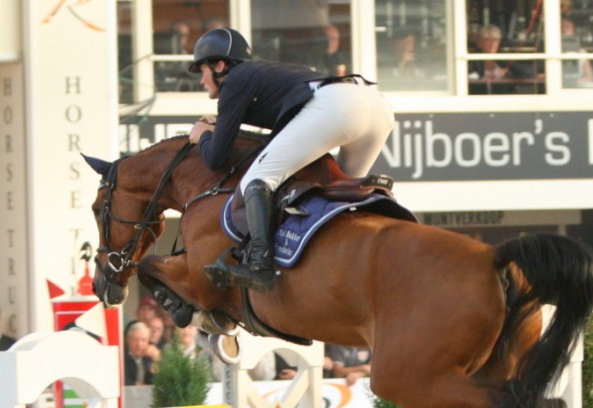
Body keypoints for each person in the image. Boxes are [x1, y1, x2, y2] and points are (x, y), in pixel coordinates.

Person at [188, 27, 395, 293]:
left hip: (337, 106)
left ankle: (259, 265)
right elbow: (274, 140)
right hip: (376, 105)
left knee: (258, 179)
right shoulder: (258, 76)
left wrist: (202, 137)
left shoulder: (234, 80)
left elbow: (216, 158)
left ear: (219, 65)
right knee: (338, 189)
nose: (201, 79)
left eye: (202, 70)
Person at [469, 24, 539, 95]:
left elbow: (525, 74)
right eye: (488, 40)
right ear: (480, 43)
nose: (492, 43)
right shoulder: (473, 60)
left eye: (495, 40)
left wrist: (507, 75)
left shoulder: (503, 59)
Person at [124, 321, 157, 386]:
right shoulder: (122, 358)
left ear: (148, 341)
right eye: (135, 339)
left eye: (143, 340)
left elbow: (156, 381)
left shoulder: (150, 357)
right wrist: (136, 386)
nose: (139, 344)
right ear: (128, 340)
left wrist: (157, 360)